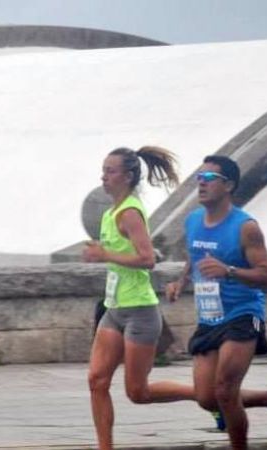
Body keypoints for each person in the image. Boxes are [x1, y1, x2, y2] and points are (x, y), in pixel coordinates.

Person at [165, 155, 267, 450]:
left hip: (243, 314)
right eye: (199, 177)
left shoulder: (245, 226)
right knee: (206, 398)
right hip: (209, 317)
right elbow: (195, 256)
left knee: (226, 391)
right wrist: (181, 282)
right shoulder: (192, 222)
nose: (201, 182)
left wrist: (229, 270)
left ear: (228, 185)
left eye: (209, 178)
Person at [83, 146, 194, 450]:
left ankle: (203, 395)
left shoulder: (130, 212)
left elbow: (147, 259)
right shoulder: (109, 214)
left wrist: (105, 253)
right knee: (96, 381)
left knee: (138, 392)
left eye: (111, 171)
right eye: (103, 170)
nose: (104, 176)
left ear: (128, 176)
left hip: (140, 312)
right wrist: (100, 254)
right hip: (114, 308)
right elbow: (120, 257)